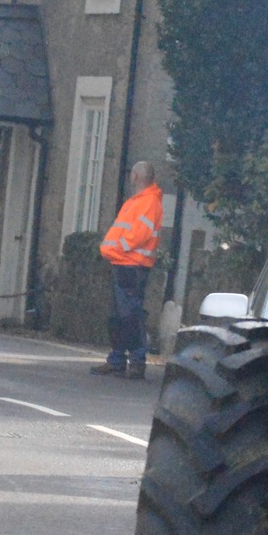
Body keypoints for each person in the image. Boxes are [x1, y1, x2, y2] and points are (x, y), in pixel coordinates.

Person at [91, 160, 163, 380]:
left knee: (130, 315)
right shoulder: (138, 202)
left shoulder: (148, 202)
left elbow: (137, 236)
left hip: (132, 266)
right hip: (124, 264)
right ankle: (118, 359)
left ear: (136, 177)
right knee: (119, 316)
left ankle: (136, 360)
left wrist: (115, 250)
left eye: (132, 174)